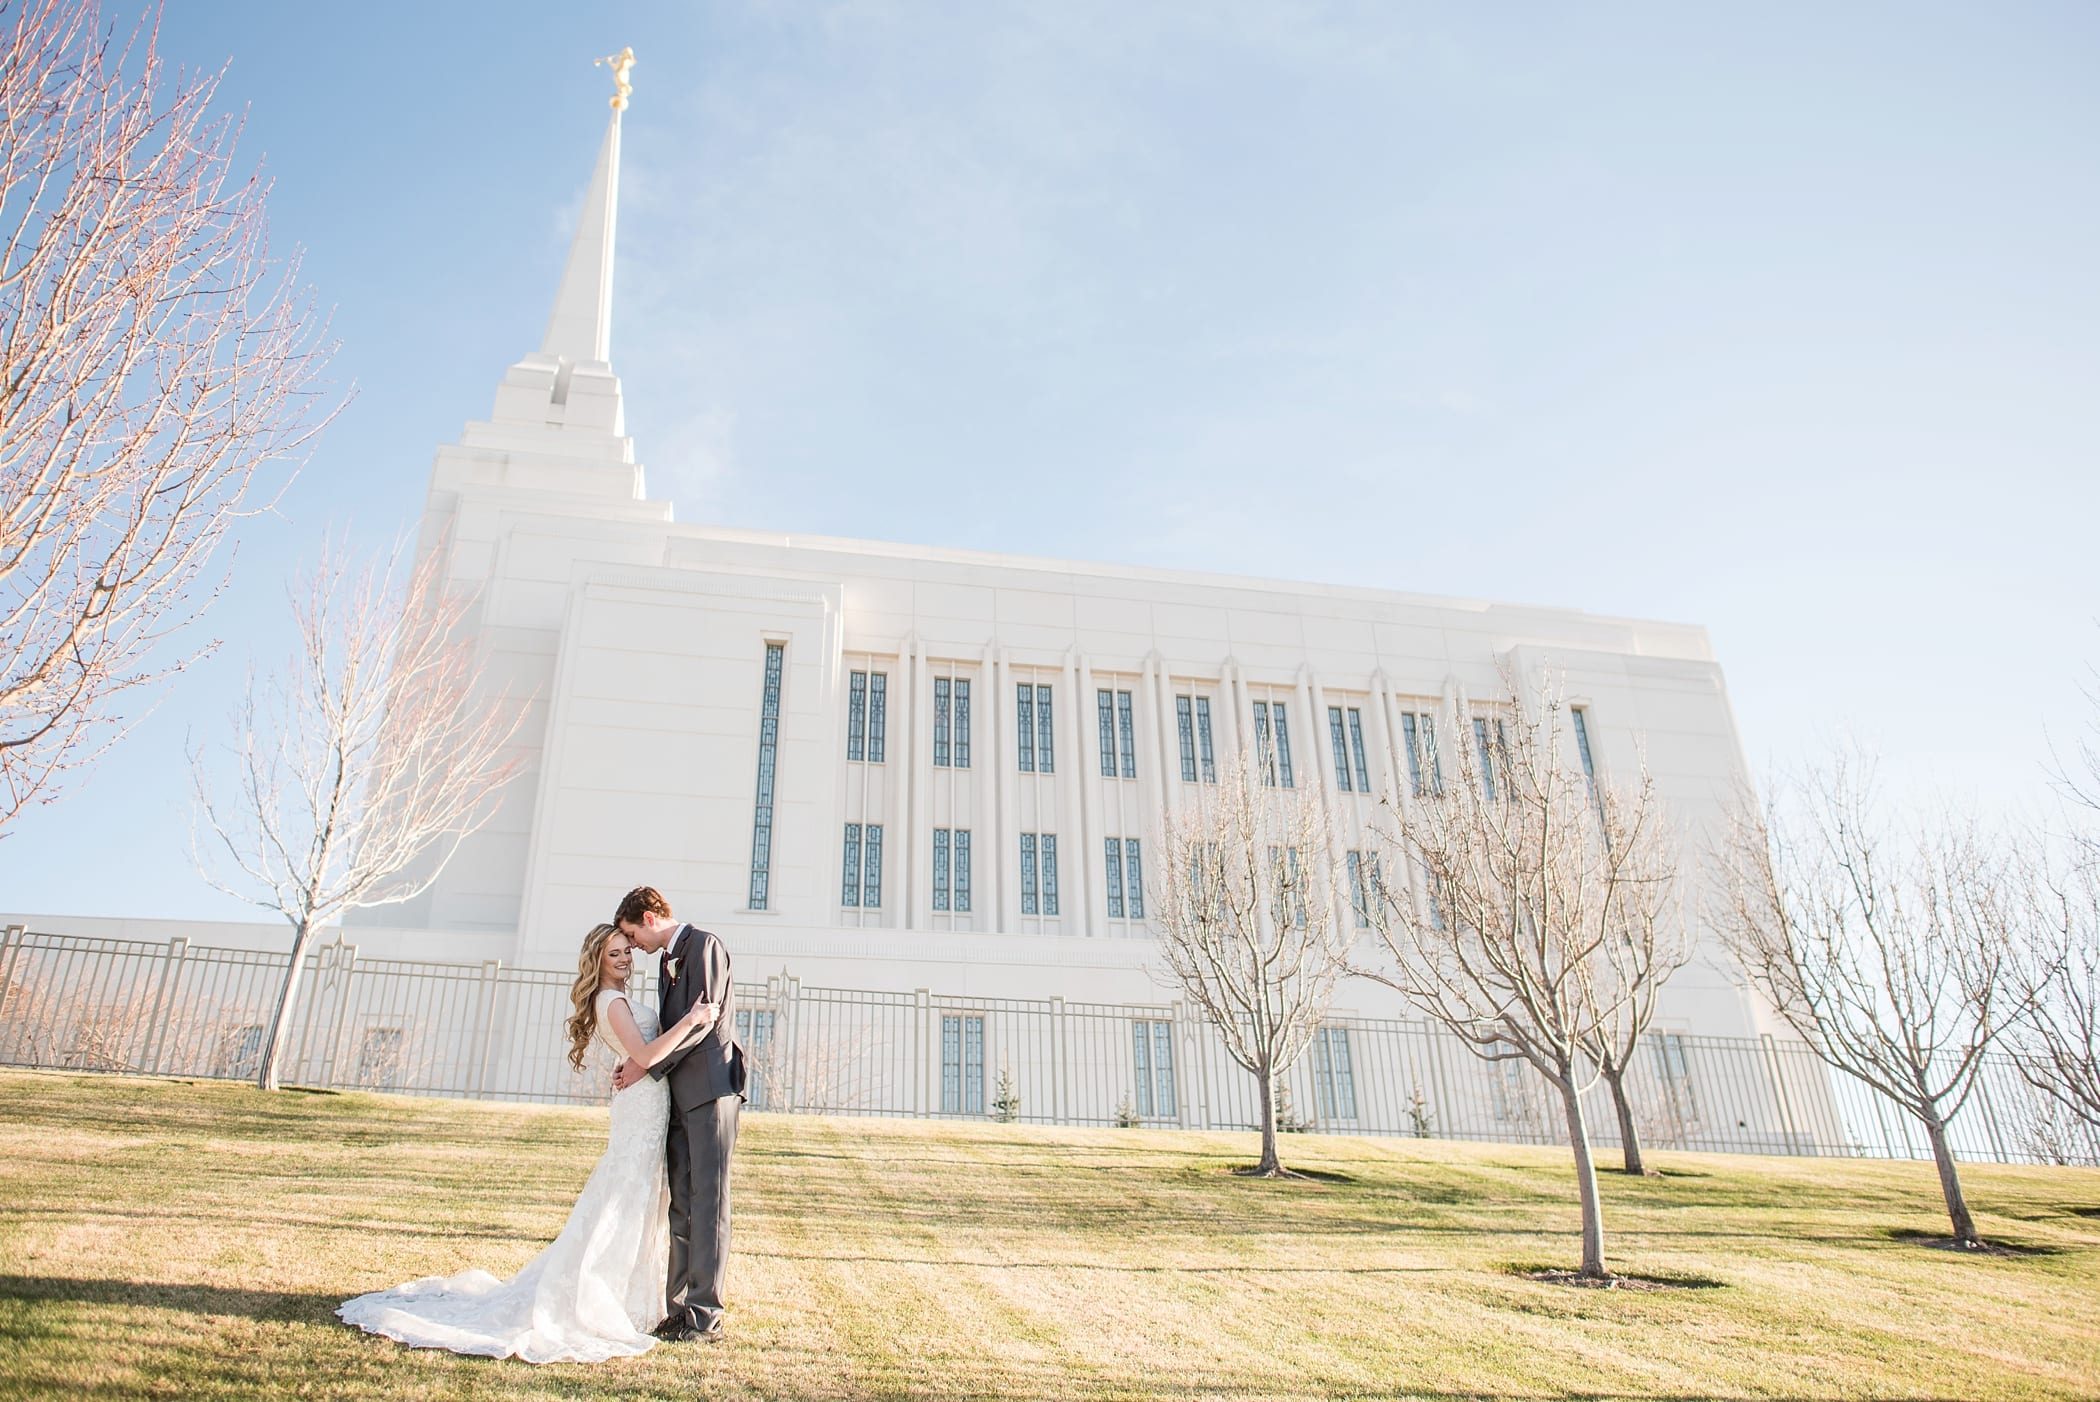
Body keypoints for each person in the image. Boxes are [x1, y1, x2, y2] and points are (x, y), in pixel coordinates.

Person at [337, 922, 717, 1363]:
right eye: (613, 954)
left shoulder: (620, 999)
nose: (624, 959)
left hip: (648, 1105)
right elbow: (647, 1055)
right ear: (596, 960)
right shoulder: (609, 1001)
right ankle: (597, 1297)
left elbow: (639, 1056)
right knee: (623, 1200)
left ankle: (626, 1296)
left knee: (638, 1201)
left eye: (625, 951)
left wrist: (635, 1061)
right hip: (640, 1109)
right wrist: (692, 1019)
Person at [611, 884, 746, 1342]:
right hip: (679, 1099)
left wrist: (645, 1064)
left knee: (709, 1204)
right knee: (682, 1206)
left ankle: (706, 1317)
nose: (633, 946)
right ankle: (679, 1310)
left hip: (711, 1093)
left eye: (632, 935)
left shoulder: (704, 945)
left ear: (649, 918)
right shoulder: (668, 963)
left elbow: (700, 1023)